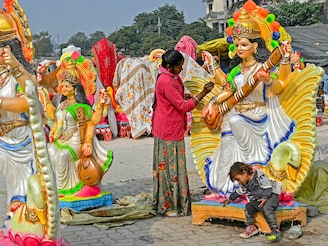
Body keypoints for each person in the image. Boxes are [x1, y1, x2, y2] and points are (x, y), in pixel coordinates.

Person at [201, 8, 294, 198]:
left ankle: (254, 176)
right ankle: (224, 188)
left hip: (258, 117)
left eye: (244, 44)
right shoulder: (236, 70)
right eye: (237, 44)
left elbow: (280, 88)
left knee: (234, 122)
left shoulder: (263, 67)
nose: (240, 48)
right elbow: (228, 89)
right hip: (236, 114)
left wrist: (267, 80)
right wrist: (212, 101)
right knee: (226, 142)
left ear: (255, 46)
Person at [40, 51, 113, 197]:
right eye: (63, 86)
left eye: (67, 86)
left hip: (76, 142)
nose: (63, 89)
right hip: (62, 139)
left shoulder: (81, 107)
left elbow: (93, 122)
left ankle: (66, 190)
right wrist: (45, 100)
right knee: (50, 151)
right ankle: (58, 187)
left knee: (63, 156)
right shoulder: (63, 104)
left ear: (75, 89)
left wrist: (87, 142)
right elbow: (55, 117)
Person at [152, 49, 214, 216]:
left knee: (172, 167)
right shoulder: (166, 81)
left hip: (171, 126)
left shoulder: (171, 77)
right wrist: (203, 93)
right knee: (171, 168)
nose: (181, 69)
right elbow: (183, 107)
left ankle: (174, 201)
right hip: (168, 129)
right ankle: (169, 205)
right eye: (179, 67)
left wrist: (186, 95)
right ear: (170, 66)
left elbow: (175, 98)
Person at [221, 161, 282, 241]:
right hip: (260, 200)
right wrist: (229, 199)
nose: (239, 182)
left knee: (267, 208)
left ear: (245, 173)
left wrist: (265, 198)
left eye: (238, 179)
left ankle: (275, 229)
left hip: (271, 196)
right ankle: (251, 227)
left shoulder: (259, 175)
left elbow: (268, 187)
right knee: (249, 206)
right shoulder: (244, 184)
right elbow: (238, 192)